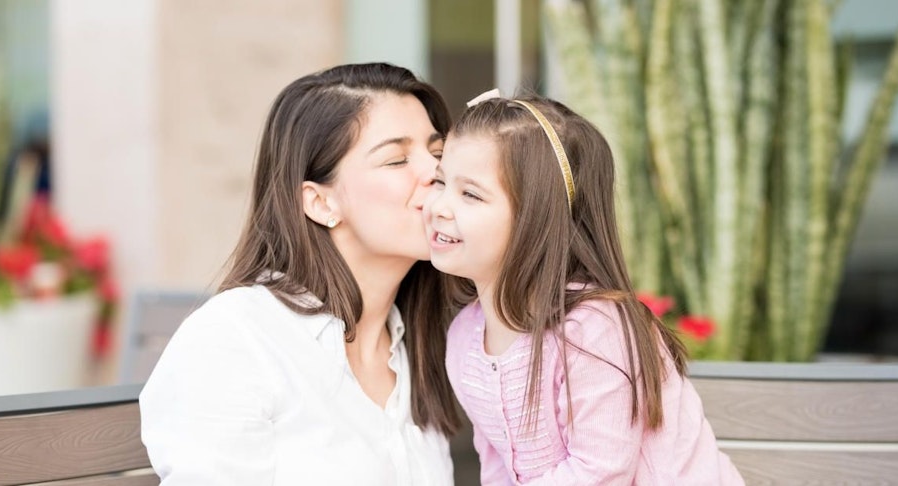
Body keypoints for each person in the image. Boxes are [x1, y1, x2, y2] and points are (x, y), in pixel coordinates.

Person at [139, 63, 461, 485]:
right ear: (320, 203)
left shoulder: (424, 344)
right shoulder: (237, 338)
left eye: (437, 153)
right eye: (397, 159)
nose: (436, 172)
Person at [424, 91, 744, 484]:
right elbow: (496, 464)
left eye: (470, 194)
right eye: (440, 182)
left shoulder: (593, 330)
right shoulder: (464, 340)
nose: (438, 206)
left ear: (535, 218)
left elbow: (601, 472)